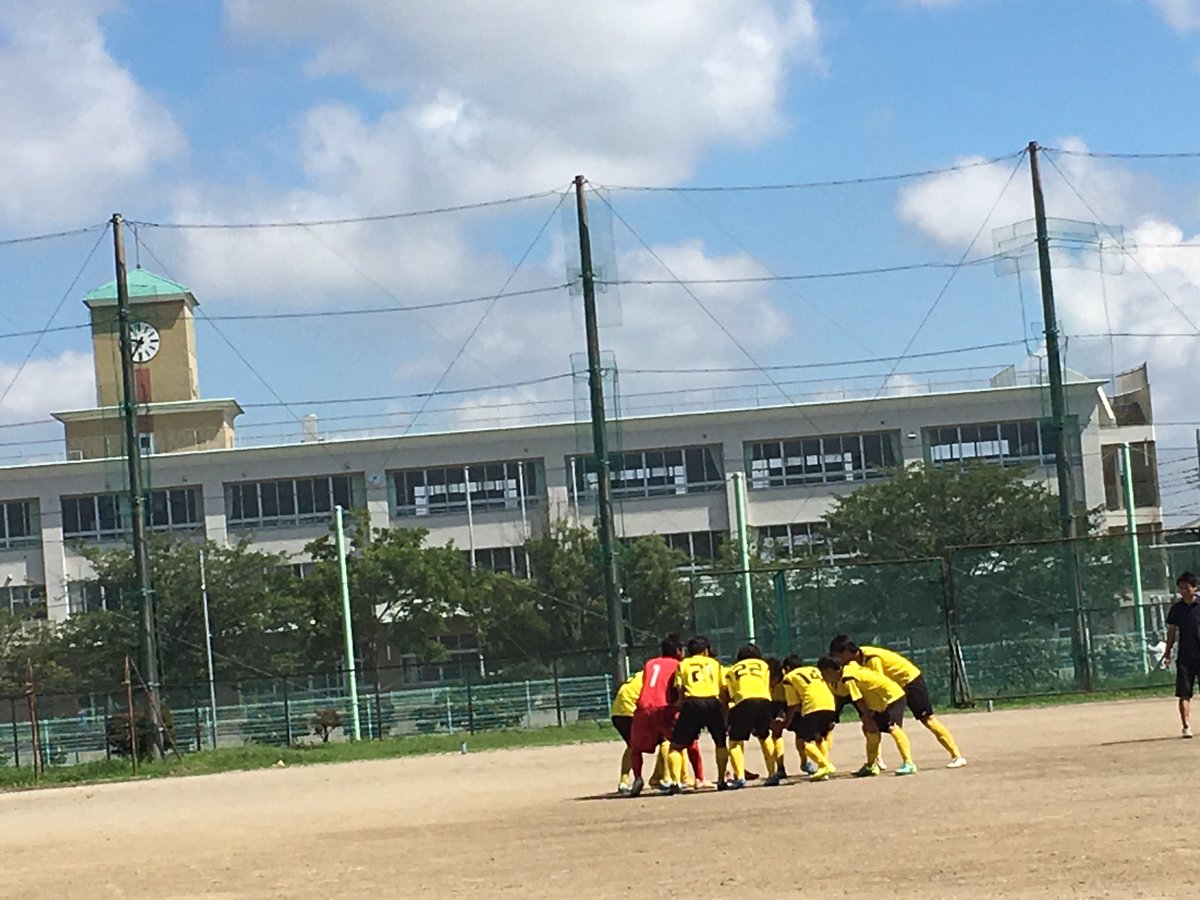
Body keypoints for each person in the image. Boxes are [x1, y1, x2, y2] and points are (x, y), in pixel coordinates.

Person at [830, 635, 966, 769]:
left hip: (909, 681)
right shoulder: (856, 661)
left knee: (927, 719)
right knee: (870, 725)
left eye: (840, 656)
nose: (839, 660)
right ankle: (876, 760)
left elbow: (879, 684)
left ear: (848, 652)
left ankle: (957, 756)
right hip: (893, 688)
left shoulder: (872, 659)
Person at [818, 655, 917, 777]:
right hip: (879, 700)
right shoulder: (849, 668)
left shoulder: (847, 678)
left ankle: (909, 763)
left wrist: (868, 718)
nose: (824, 677)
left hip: (892, 696)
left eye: (824, 674)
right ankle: (871, 766)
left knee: (892, 727)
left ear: (831, 670)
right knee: (870, 730)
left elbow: (859, 700)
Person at [666, 635, 729, 793]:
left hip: (693, 702)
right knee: (720, 743)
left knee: (676, 746)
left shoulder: (684, 664)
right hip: (712, 702)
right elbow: (722, 688)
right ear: (706, 651)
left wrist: (680, 701)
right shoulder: (715, 664)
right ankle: (721, 779)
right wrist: (723, 707)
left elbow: (679, 687)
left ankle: (675, 782)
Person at [627, 635, 684, 797]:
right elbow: (676, 687)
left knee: (635, 748)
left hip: (643, 705)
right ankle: (675, 780)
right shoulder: (678, 665)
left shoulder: (650, 663)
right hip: (664, 706)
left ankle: (638, 778)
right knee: (676, 744)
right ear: (677, 651)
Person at [724, 644, 781, 787]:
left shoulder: (732, 669)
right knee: (764, 736)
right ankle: (772, 774)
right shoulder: (764, 665)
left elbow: (731, 693)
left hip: (743, 700)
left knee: (735, 740)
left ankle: (740, 777)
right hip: (764, 699)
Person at [780, 655, 838, 781]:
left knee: (804, 742)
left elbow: (793, 705)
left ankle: (826, 765)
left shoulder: (789, 678)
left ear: (787, 668)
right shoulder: (814, 670)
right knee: (820, 738)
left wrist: (786, 722)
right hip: (829, 703)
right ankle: (823, 769)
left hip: (813, 706)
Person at [1164, 571, 1200, 738]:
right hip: (1185, 656)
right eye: (1181, 588)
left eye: (1187, 588)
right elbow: (1171, 631)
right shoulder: (1177, 609)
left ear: (1195, 588)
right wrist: (1167, 651)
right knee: (1184, 692)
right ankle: (1186, 726)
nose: (1183, 591)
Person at [610, 669, 642, 793]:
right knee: (665, 740)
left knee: (632, 746)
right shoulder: (652, 678)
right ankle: (663, 779)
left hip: (617, 712)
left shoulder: (639, 675)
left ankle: (624, 781)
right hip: (631, 711)